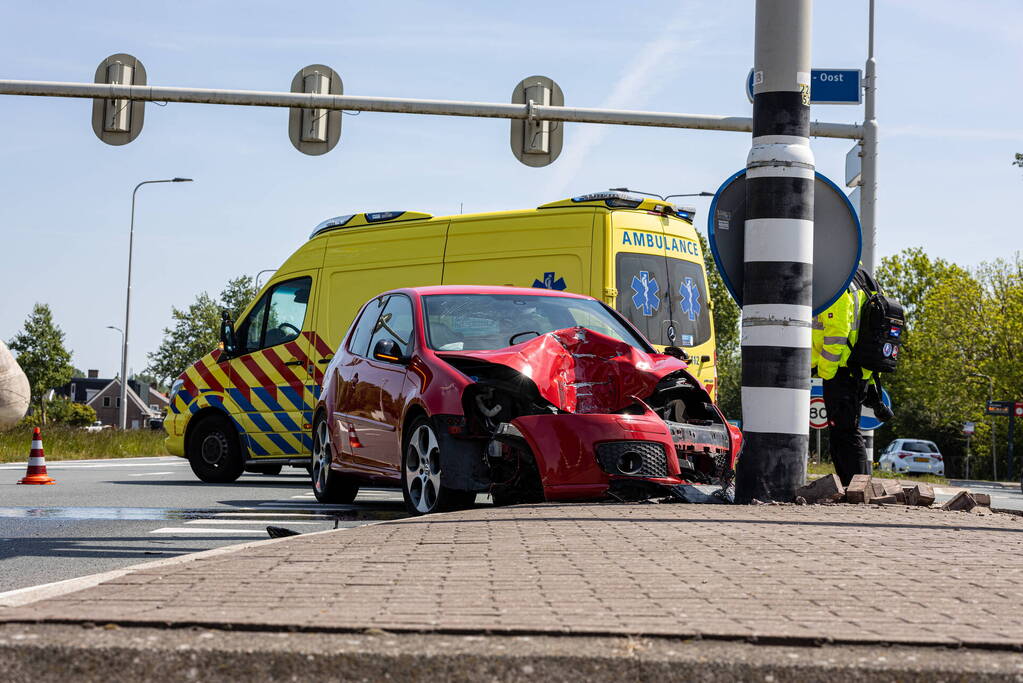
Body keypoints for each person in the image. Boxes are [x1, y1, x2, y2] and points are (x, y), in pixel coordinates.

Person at [811, 270, 874, 486]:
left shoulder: (838, 281)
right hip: (857, 370)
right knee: (842, 433)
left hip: (842, 369)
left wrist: (826, 371)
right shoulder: (860, 279)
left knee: (845, 433)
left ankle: (858, 489)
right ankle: (851, 488)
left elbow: (837, 331)